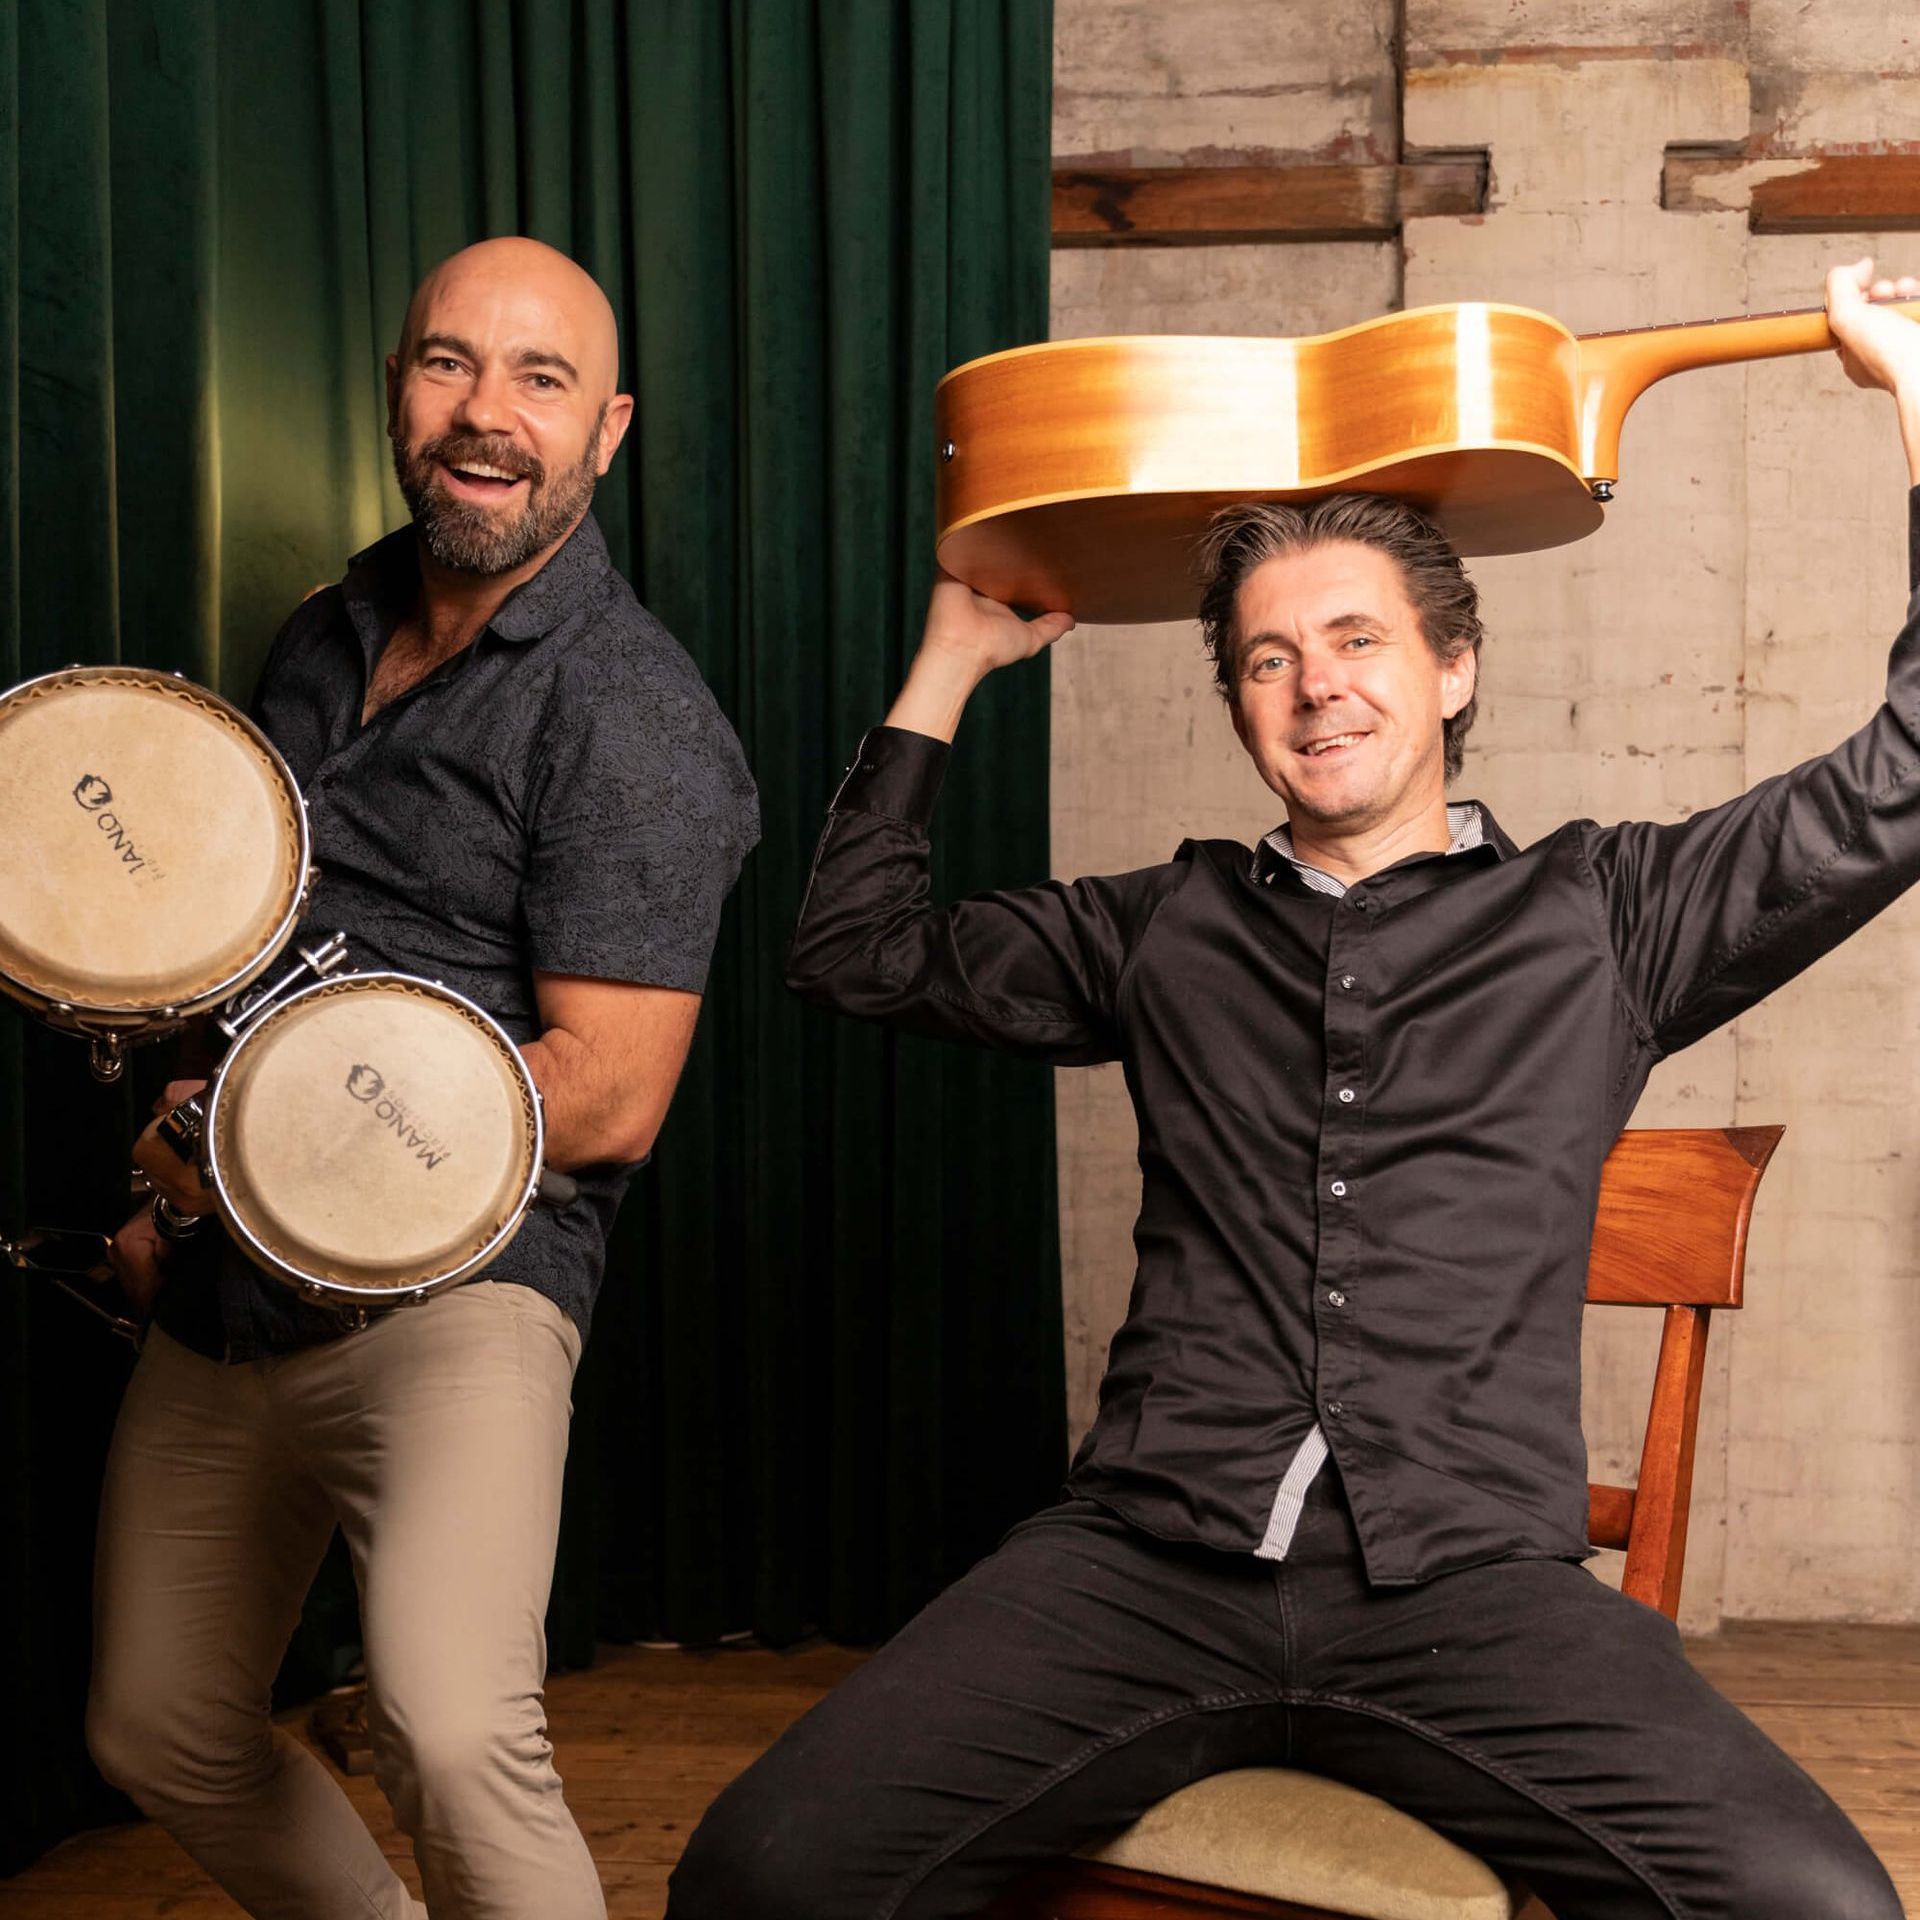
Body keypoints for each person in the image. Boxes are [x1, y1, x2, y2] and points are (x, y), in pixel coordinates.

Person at [665, 259, 1919, 1920]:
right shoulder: (1163, 927)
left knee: (1811, 1908)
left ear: (1452, 669)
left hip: (1472, 1594)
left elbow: (1904, 779)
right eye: (1267, 659)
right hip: (1141, 1571)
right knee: (762, 1875)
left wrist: (1914, 398)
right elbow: (854, 950)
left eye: (1353, 638)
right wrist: (950, 661)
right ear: (1243, 710)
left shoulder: (1612, 917)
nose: (1316, 683)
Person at [85, 237, 759, 1920]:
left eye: (539, 380)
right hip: (230, 1281)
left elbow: (606, 1092)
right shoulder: (322, 631)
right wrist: (182, 1155)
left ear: (607, 432)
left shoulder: (634, 717)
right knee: (156, 1724)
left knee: (455, 1733)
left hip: (463, 1292)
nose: (486, 414)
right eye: (449, 364)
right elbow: (226, 938)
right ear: (400, 393)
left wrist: (291, 1145)